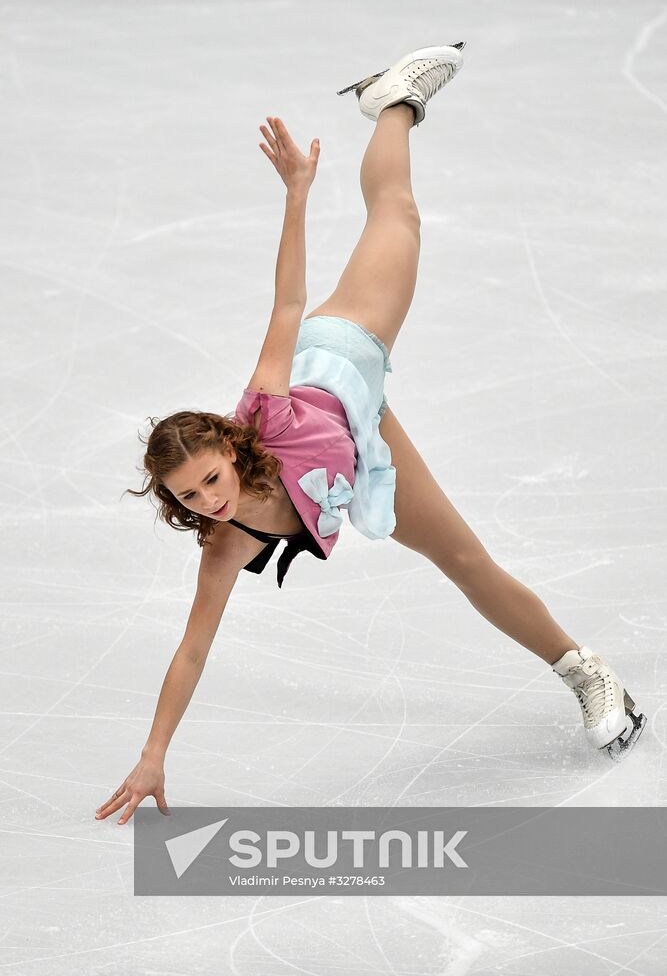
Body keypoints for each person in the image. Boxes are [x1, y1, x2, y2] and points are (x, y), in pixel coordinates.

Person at [95, 45, 646, 826]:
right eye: (190, 496)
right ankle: (582, 667)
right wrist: (153, 753)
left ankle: (392, 100)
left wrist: (295, 193)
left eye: (212, 479)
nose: (210, 502)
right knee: (461, 560)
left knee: (398, 216)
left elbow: (287, 308)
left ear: (229, 445)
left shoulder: (267, 412)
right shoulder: (225, 544)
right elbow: (191, 650)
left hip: (345, 349)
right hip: (358, 442)